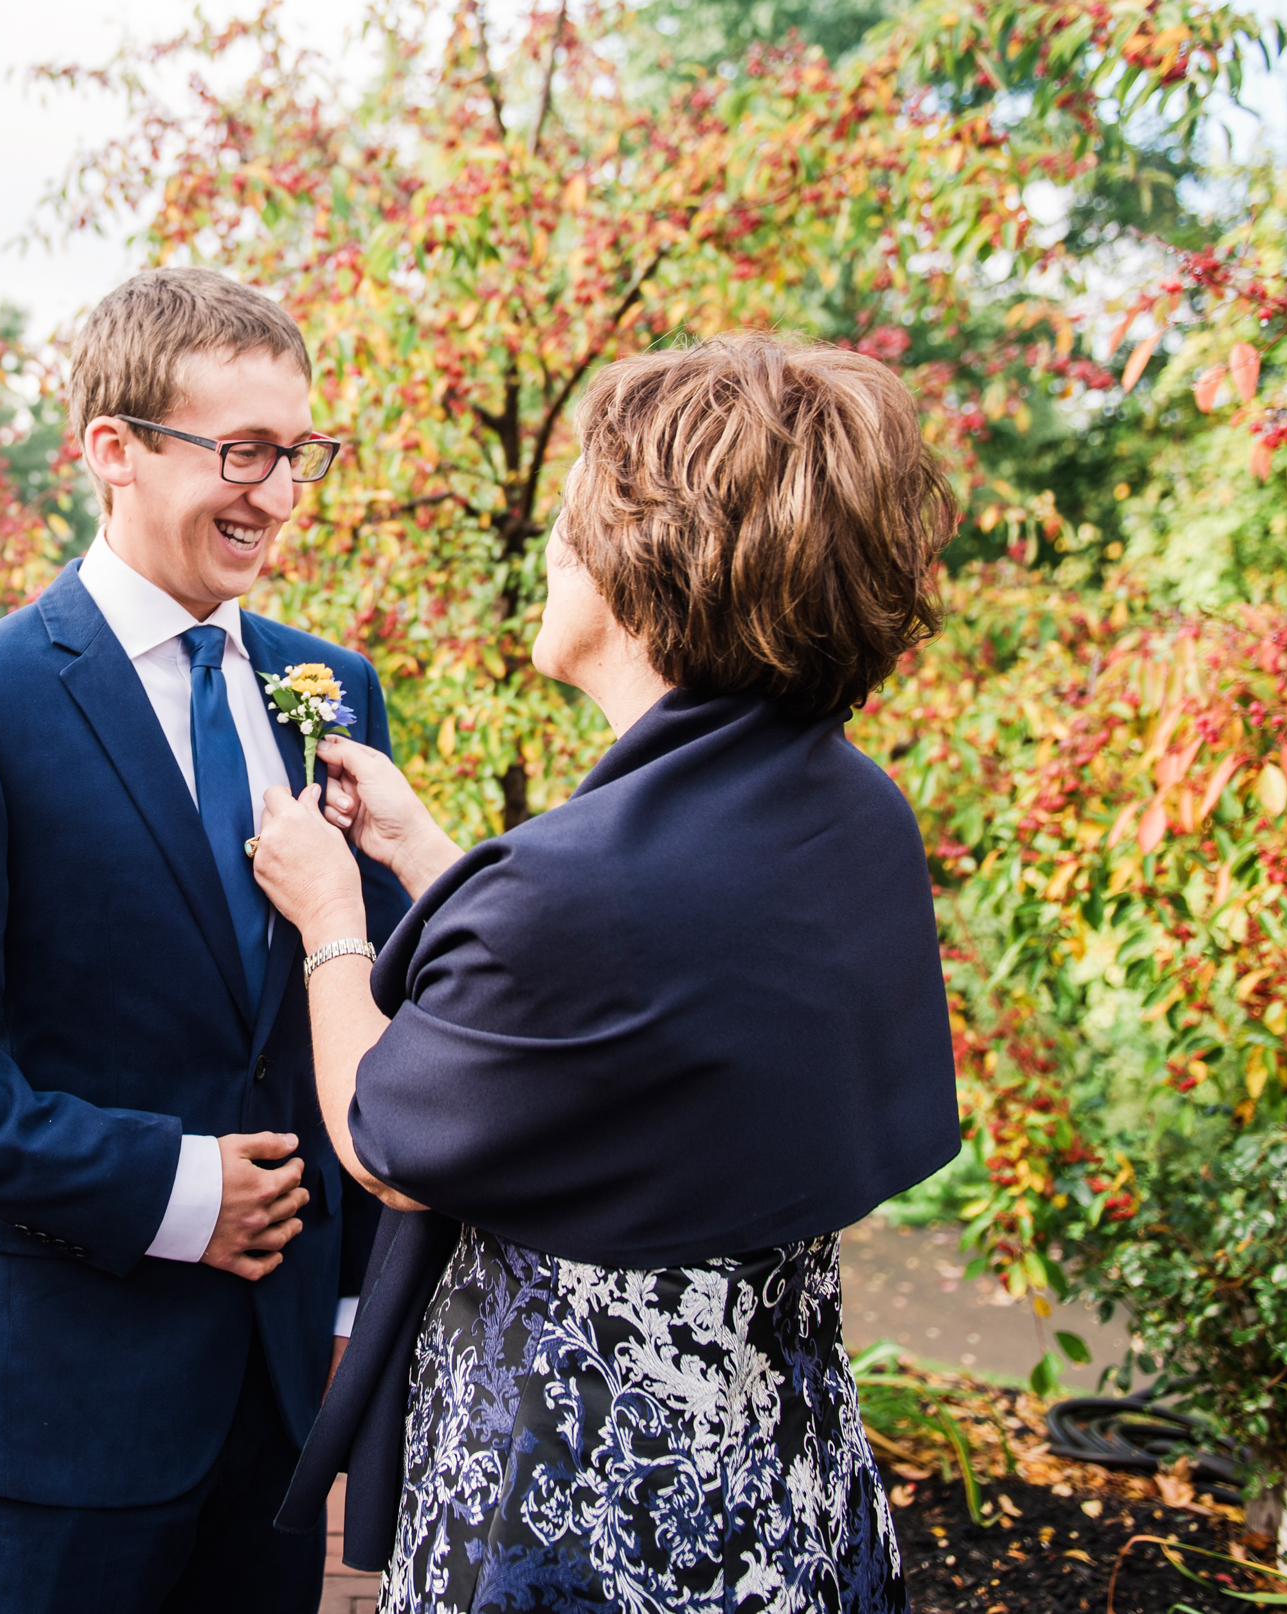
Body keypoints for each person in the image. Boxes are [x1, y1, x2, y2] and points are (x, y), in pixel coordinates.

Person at [252, 331, 963, 1611]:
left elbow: (382, 1133)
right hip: (786, 1472)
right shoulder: (855, 810)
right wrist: (421, 848)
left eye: (576, 515)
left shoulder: (569, 890)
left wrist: (328, 917)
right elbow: (627, 991)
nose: (556, 545)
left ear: (651, 561)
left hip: (597, 1500)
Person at [0, 267, 408, 1614]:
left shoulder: (333, 689)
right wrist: (176, 1190)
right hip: (68, 1392)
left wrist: (346, 1304)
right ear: (113, 450)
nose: (274, 493)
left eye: (298, 454)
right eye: (240, 450)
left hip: (279, 1397)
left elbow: (368, 1000)